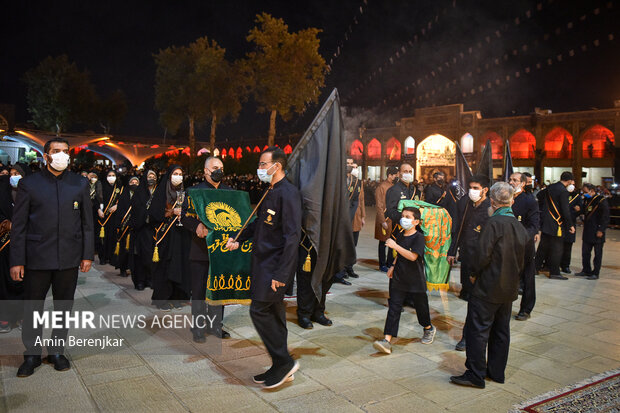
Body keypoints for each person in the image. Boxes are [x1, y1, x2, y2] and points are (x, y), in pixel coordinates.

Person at [10, 138, 94, 377]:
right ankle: (32, 354)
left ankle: (56, 352)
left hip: (68, 258)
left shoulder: (79, 183)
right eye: (56, 151)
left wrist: (87, 254)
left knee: (63, 308)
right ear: (45, 156)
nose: (62, 155)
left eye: (65, 152)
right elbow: (19, 226)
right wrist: (17, 260)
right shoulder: (30, 184)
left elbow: (88, 223)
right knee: (33, 308)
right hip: (36, 257)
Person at [226, 147, 302, 389]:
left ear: (276, 166)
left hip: (274, 267)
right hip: (262, 263)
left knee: (258, 310)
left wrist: (282, 274)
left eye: (262, 164)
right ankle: (279, 365)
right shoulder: (270, 190)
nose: (259, 169)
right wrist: (239, 239)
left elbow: (292, 237)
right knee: (274, 313)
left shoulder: (288, 193)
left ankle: (285, 361)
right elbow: (260, 223)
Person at [450, 182, 529, 389]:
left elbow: (481, 255)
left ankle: (475, 374)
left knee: (478, 331)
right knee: (501, 331)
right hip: (509, 287)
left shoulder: (493, 223)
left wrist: (474, 275)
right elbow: (525, 259)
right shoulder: (519, 225)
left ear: (492, 202)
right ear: (511, 201)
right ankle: (496, 372)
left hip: (487, 286)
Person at [373, 207, 436, 354]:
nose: (404, 219)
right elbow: (399, 255)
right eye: (403, 216)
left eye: (408, 216)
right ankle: (387, 340)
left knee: (421, 307)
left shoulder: (419, 237)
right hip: (399, 277)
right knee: (394, 308)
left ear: (416, 221)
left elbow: (413, 256)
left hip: (415, 279)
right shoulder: (400, 234)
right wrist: (393, 267)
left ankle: (428, 328)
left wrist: (395, 246)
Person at [181, 157, 231, 342]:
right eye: (215, 168)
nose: (219, 171)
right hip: (200, 250)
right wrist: (196, 227)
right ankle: (198, 328)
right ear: (206, 171)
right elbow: (185, 216)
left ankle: (216, 325)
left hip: (221, 251)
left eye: (222, 168)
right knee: (200, 290)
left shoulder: (229, 192)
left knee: (219, 290)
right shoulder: (194, 191)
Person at [448, 174, 491, 351]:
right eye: (471, 187)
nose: (472, 191)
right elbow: (458, 229)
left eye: (476, 188)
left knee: (477, 302)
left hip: (482, 264)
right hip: (467, 258)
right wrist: (452, 251)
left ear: (485, 190)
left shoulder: (490, 209)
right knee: (471, 299)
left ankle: (468, 337)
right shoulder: (466, 205)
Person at [149, 165, 191, 311]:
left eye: (180, 174)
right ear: (169, 175)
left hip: (180, 234)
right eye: (175, 174)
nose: (178, 176)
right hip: (165, 235)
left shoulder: (184, 193)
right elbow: (154, 213)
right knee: (165, 266)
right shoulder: (161, 193)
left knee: (178, 265)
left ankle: (177, 297)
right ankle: (162, 298)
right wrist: (170, 212)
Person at [509, 173, 540, 321]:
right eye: (510, 180)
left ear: (522, 183)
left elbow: (533, 226)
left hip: (523, 245)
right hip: (507, 246)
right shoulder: (506, 198)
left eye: (515, 180)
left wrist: (520, 238)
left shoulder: (529, 201)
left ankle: (526, 309)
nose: (511, 182)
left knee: (527, 278)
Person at [535, 172, 575, 280]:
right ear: (569, 181)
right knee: (557, 249)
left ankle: (535, 268)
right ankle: (554, 272)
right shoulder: (563, 191)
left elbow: (539, 196)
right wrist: (570, 225)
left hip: (546, 222)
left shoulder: (551, 187)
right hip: (557, 223)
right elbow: (565, 210)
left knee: (543, 247)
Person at [333, 159, 362, 285]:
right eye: (347, 164)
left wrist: (349, 216)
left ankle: (346, 269)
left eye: (352, 164)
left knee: (349, 245)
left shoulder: (357, 182)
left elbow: (356, 201)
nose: (350, 166)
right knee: (338, 247)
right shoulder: (335, 178)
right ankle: (337, 273)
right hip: (336, 218)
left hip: (349, 218)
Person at [575, 183, 610, 280]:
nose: (584, 193)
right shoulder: (587, 199)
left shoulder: (601, 201)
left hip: (597, 231)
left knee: (597, 254)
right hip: (587, 230)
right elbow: (585, 212)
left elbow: (606, 217)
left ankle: (595, 272)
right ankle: (586, 270)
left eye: (585, 192)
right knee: (585, 252)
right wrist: (579, 210)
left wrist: (601, 229)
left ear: (592, 191)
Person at [130, 170, 158, 290]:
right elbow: (136, 209)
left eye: (153, 176)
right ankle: (140, 281)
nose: (151, 178)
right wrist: (146, 215)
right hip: (142, 229)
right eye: (149, 176)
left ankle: (151, 279)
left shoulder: (158, 192)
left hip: (154, 229)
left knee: (153, 256)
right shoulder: (139, 192)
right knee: (141, 256)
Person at [114, 176, 140, 278]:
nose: (134, 184)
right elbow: (120, 211)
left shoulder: (140, 195)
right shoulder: (123, 195)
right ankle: (123, 268)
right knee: (124, 249)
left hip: (135, 227)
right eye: (132, 182)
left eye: (136, 182)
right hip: (124, 226)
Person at [375, 167, 398, 272]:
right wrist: (382, 220)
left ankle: (390, 262)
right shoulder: (381, 187)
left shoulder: (394, 186)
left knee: (392, 241)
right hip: (384, 218)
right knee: (383, 243)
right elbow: (379, 205)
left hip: (393, 219)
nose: (396, 177)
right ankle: (382, 264)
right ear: (390, 175)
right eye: (395, 175)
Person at [97, 169, 122, 265]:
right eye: (109, 175)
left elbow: (123, 200)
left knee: (113, 237)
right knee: (103, 238)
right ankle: (102, 257)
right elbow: (96, 199)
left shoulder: (119, 187)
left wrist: (117, 206)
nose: (111, 177)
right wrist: (98, 209)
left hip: (114, 216)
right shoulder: (101, 186)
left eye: (113, 175)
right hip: (103, 216)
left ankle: (111, 257)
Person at [560, 184, 582, 274]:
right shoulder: (561, 194)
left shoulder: (577, 197)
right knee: (558, 245)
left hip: (570, 223)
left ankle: (565, 265)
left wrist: (572, 213)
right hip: (560, 222)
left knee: (568, 246)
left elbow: (580, 210)